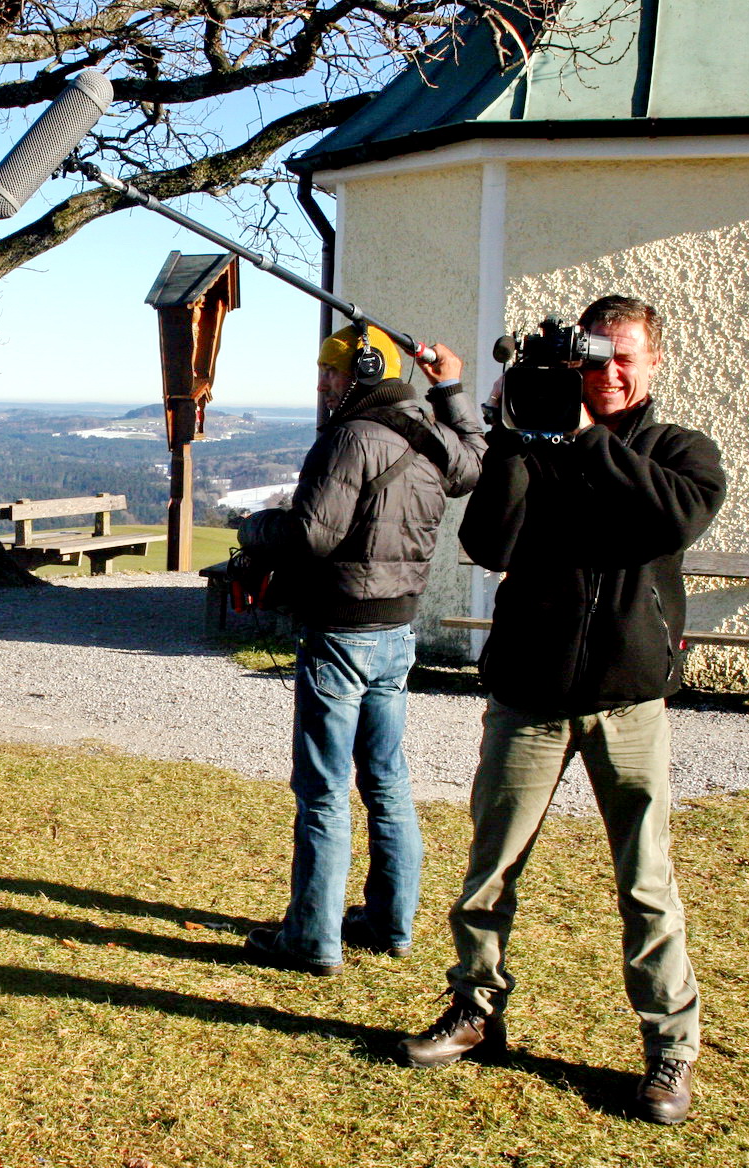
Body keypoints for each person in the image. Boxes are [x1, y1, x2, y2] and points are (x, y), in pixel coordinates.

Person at [398, 296, 726, 1125]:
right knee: (490, 871)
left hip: (629, 701)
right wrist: (514, 430)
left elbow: (672, 516)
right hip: (530, 696)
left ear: (652, 363)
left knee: (645, 884)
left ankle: (668, 1053)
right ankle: (476, 1012)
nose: (609, 372)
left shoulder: (679, 452)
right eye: (596, 356)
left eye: (626, 357)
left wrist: (582, 440)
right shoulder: (537, 439)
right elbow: (490, 545)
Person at [238, 324, 486, 975]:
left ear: (364, 373)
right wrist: (452, 388)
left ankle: (311, 940)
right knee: (386, 780)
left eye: (332, 373)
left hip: (340, 634)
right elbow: (476, 461)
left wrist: (254, 528)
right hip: (396, 633)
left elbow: (311, 537)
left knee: (322, 789)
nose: (322, 386)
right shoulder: (433, 436)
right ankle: (390, 923)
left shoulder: (349, 438)